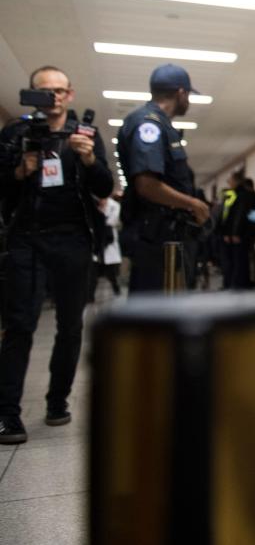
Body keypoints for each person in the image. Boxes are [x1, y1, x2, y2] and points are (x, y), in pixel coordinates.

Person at [0, 66, 113, 443]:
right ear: (31, 95)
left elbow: (105, 187)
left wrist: (89, 160)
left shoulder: (85, 135)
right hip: (26, 239)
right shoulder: (16, 134)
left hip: (73, 240)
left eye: (59, 91)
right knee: (19, 325)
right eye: (44, 92)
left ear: (70, 94)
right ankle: (8, 414)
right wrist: (19, 170)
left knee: (71, 325)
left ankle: (57, 401)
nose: (53, 97)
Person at [116, 63, 210, 293]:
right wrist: (193, 204)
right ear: (181, 92)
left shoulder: (160, 124)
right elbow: (147, 185)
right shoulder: (150, 124)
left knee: (166, 311)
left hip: (164, 234)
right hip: (157, 237)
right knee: (156, 313)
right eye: (188, 95)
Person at [87, 194, 122, 299]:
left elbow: (112, 221)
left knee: (111, 272)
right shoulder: (93, 204)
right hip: (96, 241)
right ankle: (90, 296)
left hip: (108, 240)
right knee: (94, 271)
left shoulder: (114, 205)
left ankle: (116, 289)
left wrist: (101, 214)